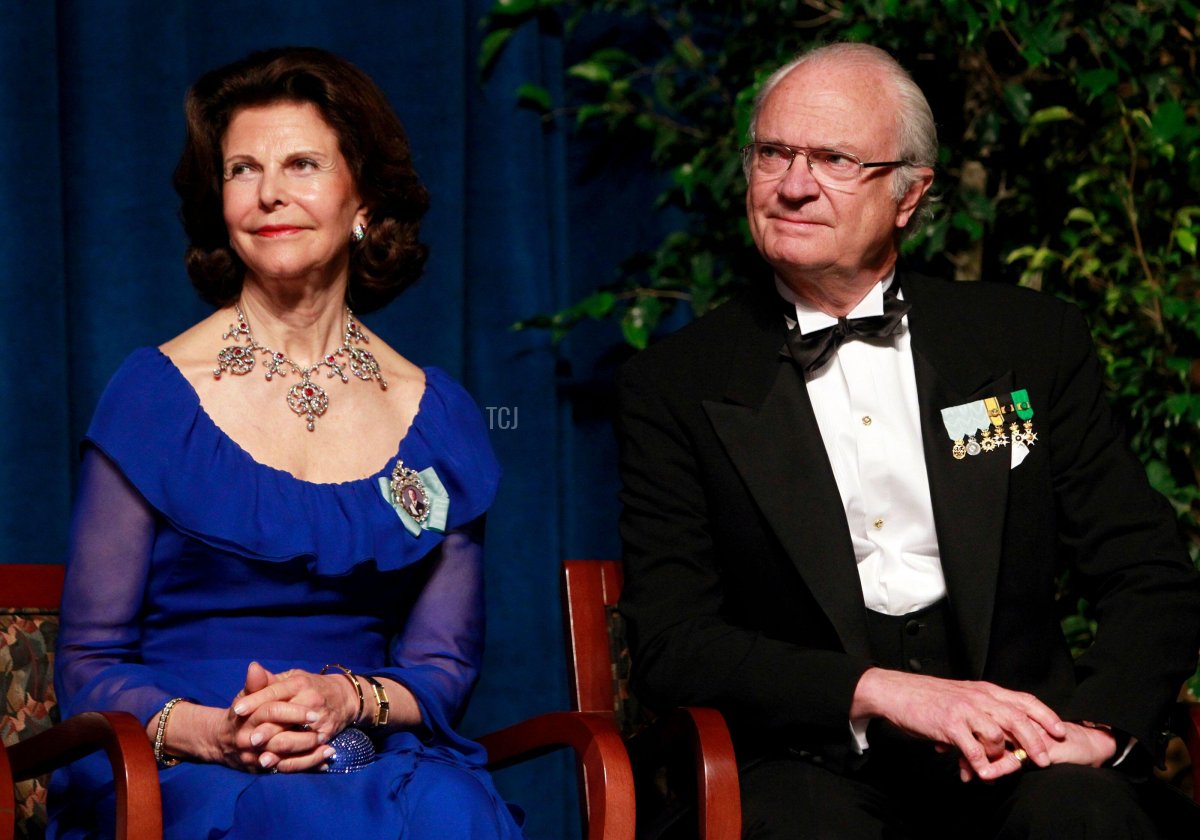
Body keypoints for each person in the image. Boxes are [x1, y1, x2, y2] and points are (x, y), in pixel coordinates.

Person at [615, 42, 1200, 839]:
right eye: (773, 153)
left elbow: (1147, 571)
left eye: (833, 158)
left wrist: (1093, 730)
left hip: (1022, 759)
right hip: (808, 764)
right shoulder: (676, 383)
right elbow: (675, 642)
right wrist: (877, 689)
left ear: (909, 195)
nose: (793, 184)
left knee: (1082, 818)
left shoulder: (1027, 343)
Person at [51, 47, 524, 839]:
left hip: (364, 754)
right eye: (241, 169)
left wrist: (347, 698)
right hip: (181, 769)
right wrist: (215, 732)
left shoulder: (438, 418)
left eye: (302, 163)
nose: (269, 193)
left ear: (364, 196)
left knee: (451, 811)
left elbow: (443, 669)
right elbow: (88, 662)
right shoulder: (153, 396)